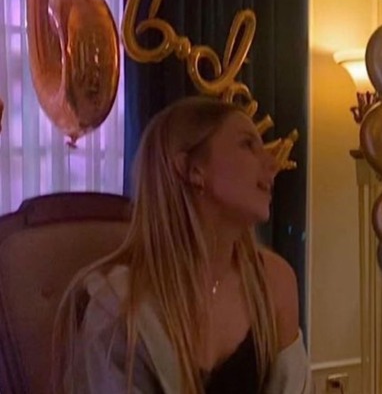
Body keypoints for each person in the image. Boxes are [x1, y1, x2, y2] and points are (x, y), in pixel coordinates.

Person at [52, 97, 311, 393]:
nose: (272, 163)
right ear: (192, 169)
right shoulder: (119, 305)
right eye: (247, 145)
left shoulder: (273, 282)